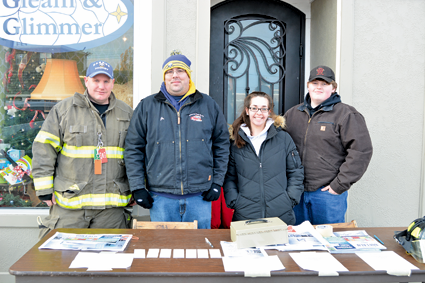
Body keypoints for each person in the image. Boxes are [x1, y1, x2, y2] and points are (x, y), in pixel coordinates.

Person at [124, 51, 229, 229]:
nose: (175, 75)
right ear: (164, 77)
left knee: (199, 249)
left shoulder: (208, 105)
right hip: (161, 198)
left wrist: (217, 182)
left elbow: (222, 145)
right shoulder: (147, 106)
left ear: (188, 76)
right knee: (165, 251)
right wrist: (137, 187)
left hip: (200, 197)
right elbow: (133, 148)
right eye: (169, 72)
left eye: (180, 71)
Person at [33, 60, 133, 238]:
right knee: (61, 261)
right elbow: (44, 149)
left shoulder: (126, 113)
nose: (101, 86)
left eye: (106, 81)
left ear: (112, 82)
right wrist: (44, 190)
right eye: (96, 80)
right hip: (70, 206)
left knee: (110, 262)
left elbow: (136, 155)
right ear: (86, 81)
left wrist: (136, 188)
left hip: (111, 211)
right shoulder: (63, 110)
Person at [284, 65, 373, 225]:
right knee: (297, 243)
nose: (319, 87)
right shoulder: (292, 114)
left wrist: (338, 185)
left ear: (333, 88)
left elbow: (361, 151)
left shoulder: (347, 115)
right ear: (308, 85)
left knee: (329, 243)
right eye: (315, 83)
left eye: (324, 84)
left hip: (327, 194)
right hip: (296, 192)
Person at [223, 91, 304, 225]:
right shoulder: (235, 141)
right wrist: (234, 201)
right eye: (254, 108)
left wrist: (290, 199)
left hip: (281, 214)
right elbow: (229, 177)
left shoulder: (283, 138)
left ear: (269, 111)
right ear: (247, 111)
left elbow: (296, 172)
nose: (259, 112)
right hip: (245, 214)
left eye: (263, 108)